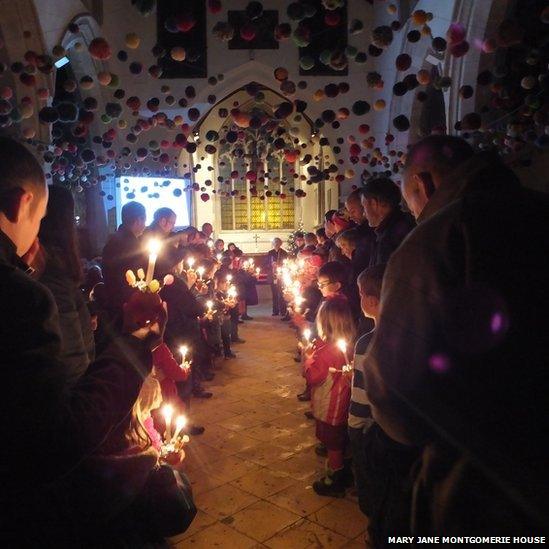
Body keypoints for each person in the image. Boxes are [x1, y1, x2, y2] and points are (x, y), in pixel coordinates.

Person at [364, 135, 549, 537]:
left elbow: (396, 388)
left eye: (409, 198)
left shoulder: (436, 237)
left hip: (480, 487)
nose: (413, 212)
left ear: (424, 184)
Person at [0, 137, 168, 545]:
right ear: (22, 204)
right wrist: (134, 341)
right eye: (38, 219)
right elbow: (58, 438)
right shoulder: (18, 297)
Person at [38, 185, 95, 386]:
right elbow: (72, 360)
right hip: (71, 390)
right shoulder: (49, 266)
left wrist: (83, 318)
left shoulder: (51, 262)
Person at [303, 298, 356, 497]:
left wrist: (308, 357)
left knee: (332, 443)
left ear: (323, 323)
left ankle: (335, 479)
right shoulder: (350, 346)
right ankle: (344, 468)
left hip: (330, 407)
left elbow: (311, 377)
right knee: (338, 439)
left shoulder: (324, 353)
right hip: (343, 405)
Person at [102, 200, 146, 318]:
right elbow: (136, 277)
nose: (145, 226)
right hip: (126, 305)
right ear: (138, 220)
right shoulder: (131, 244)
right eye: (144, 220)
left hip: (112, 300)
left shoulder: (115, 239)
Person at [360, 177, 415, 266]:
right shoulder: (409, 221)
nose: (363, 214)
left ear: (374, 204)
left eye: (363, 206)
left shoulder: (389, 239)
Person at [267, 237, 289, 316]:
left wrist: (280, 265)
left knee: (281, 293)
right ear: (273, 244)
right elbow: (265, 263)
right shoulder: (270, 253)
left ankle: (283, 310)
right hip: (272, 275)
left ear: (280, 244)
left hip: (281, 276)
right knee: (274, 294)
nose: (276, 244)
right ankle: (275, 311)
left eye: (277, 243)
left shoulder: (284, 253)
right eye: (274, 243)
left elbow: (287, 263)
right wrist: (271, 265)